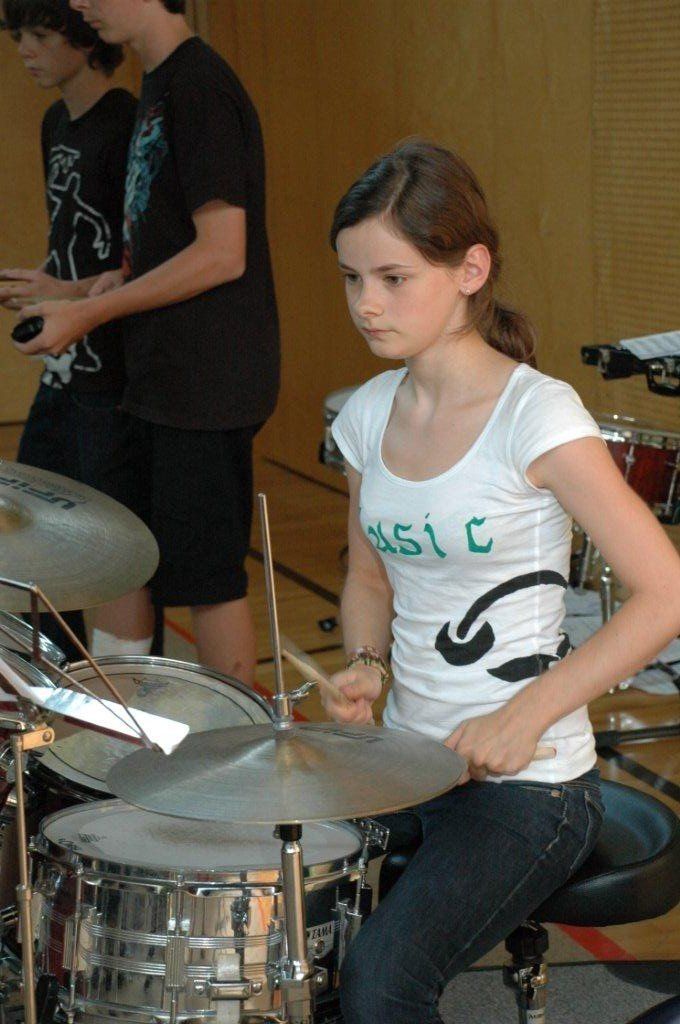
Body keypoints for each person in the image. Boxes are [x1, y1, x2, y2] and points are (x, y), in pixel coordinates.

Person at [323, 139, 680, 1023]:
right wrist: (365, 662)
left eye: (393, 278)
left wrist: (525, 716)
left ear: (470, 270)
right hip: (408, 762)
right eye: (352, 278)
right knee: (294, 926)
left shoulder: (537, 414)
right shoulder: (366, 414)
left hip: (533, 788)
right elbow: (368, 575)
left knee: (380, 984)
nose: (366, 304)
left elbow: (666, 593)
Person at [14, 0, 280, 684]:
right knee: (144, 560)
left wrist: (92, 314)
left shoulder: (199, 86)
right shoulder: (161, 83)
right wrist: (93, 286)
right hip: (161, 377)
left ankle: (238, 743)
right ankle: (118, 721)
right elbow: (166, 244)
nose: (80, 5)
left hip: (207, 380)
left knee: (209, 581)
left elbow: (222, 253)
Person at [0, 0, 136, 661]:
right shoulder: (55, 122)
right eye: (17, 35)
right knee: (31, 516)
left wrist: (71, 293)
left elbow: (136, 261)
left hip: (112, 368)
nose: (25, 49)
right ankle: (54, 674)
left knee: (107, 532)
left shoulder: (126, 123)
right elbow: (72, 241)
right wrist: (45, 282)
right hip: (63, 366)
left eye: (39, 34)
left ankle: (113, 679)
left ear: (82, 39)